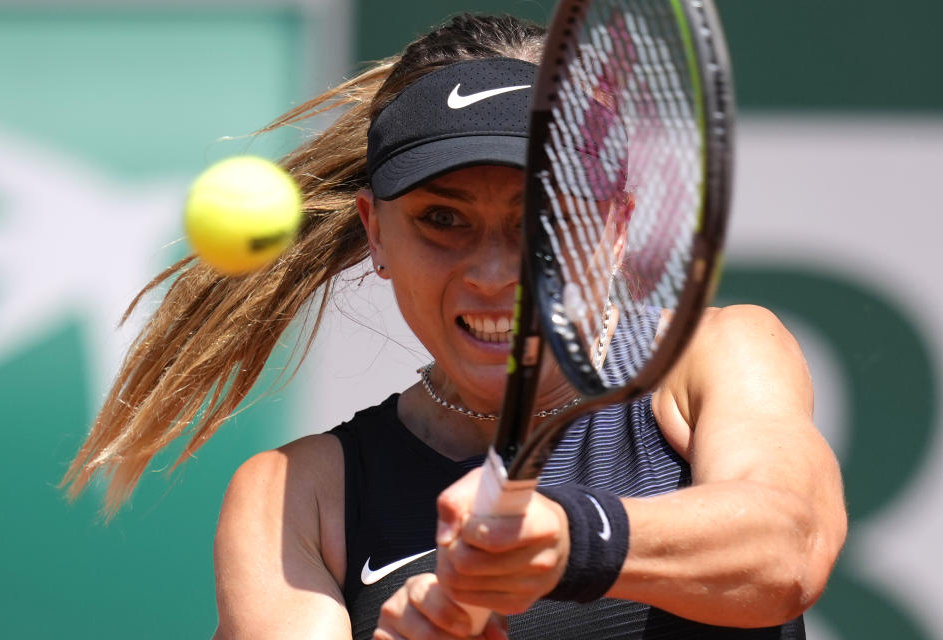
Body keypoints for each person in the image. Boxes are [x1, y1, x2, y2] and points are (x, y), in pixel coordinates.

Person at [62, 13, 847, 640]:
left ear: (614, 229)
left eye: (542, 220)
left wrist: (571, 540)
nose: (494, 274)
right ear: (376, 231)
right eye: (442, 219)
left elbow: (789, 548)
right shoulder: (293, 497)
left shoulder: (715, 356)